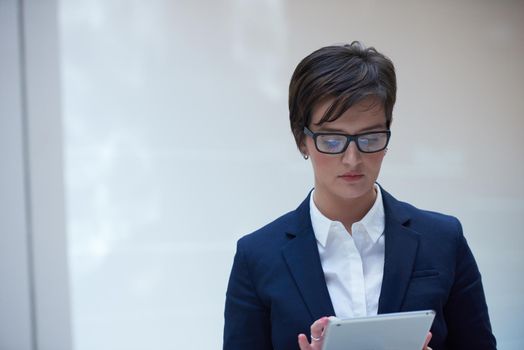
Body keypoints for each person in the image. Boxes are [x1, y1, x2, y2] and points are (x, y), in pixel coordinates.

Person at [223, 41, 496, 350]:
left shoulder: (444, 239)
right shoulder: (258, 256)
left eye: (370, 138)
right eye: (332, 139)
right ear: (302, 139)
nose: (352, 158)